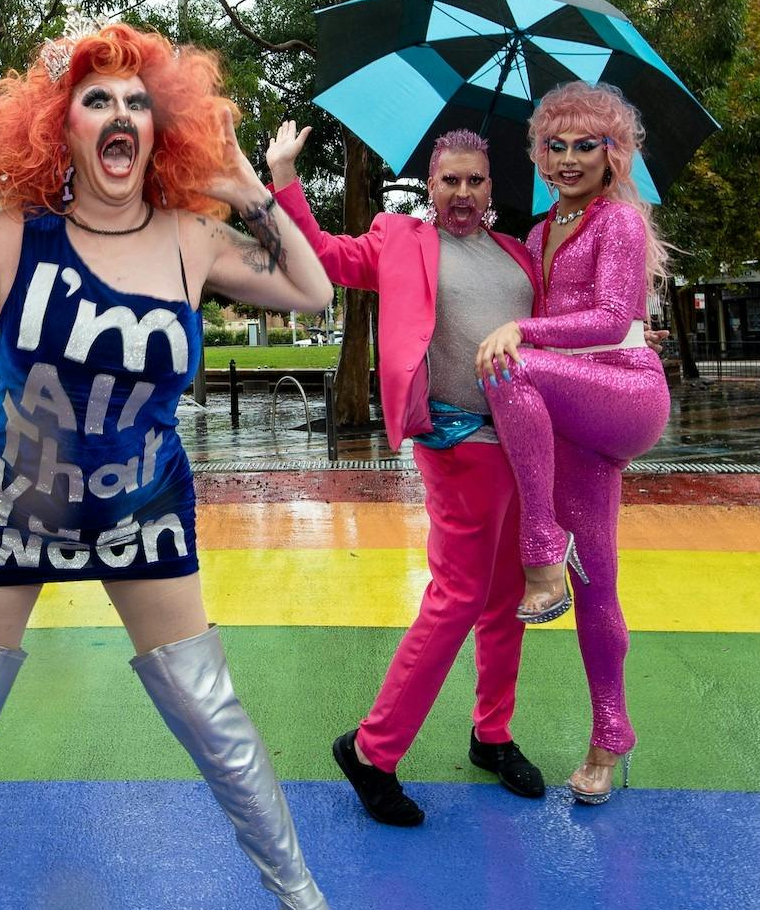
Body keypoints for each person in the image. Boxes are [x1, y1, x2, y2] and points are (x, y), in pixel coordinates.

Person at [0, 22, 352, 910]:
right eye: (95, 99)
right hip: (10, 503)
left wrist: (256, 192)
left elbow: (311, 288)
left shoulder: (196, 237)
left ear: (166, 128)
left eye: (137, 101)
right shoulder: (5, 238)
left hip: (142, 501)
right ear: (59, 128)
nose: (119, 115)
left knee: (215, 720)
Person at [277, 129, 547, 825]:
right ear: (430, 184)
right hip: (457, 441)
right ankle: (372, 749)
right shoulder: (400, 239)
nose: (463, 194)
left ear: (492, 188)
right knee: (457, 596)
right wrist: (283, 178)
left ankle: (492, 733)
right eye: (450, 180)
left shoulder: (518, 253)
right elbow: (327, 257)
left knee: (509, 592)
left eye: (476, 181)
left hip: (525, 444)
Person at [476, 82, 672, 805]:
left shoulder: (617, 222)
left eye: (584, 145)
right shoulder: (536, 233)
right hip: (569, 414)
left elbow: (612, 314)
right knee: (599, 577)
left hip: (624, 391)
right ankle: (609, 736)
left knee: (512, 364)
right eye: (552, 146)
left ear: (612, 152)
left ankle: (538, 555)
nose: (565, 159)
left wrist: (525, 333)